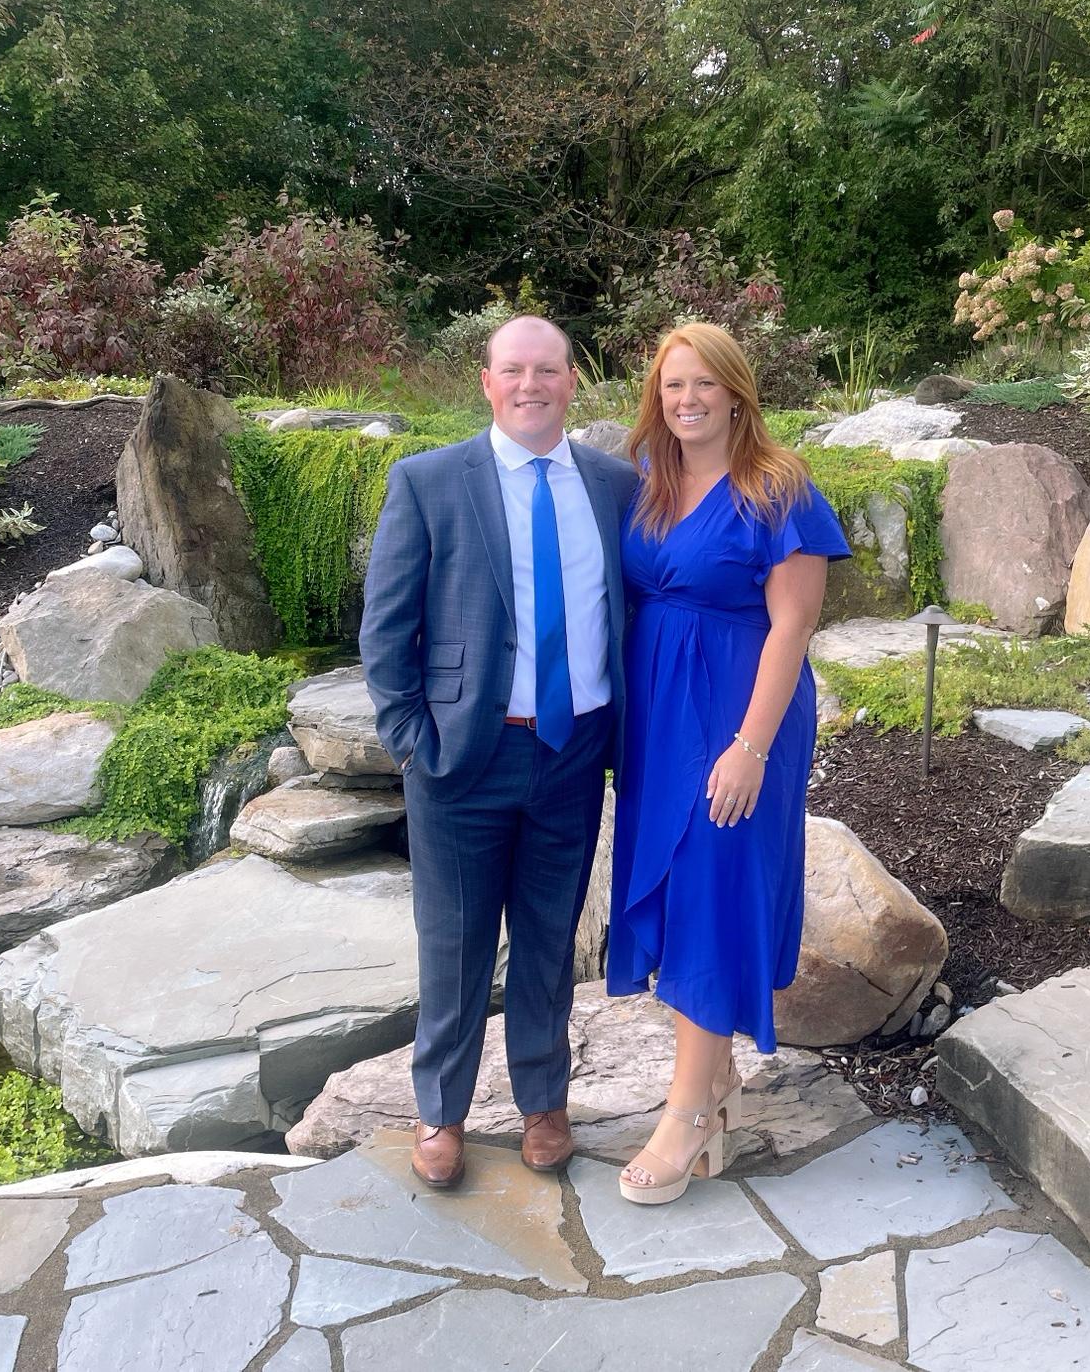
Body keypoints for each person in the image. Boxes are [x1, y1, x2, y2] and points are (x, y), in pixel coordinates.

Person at [360, 315, 638, 1190]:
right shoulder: (428, 481)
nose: (531, 385)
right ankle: (441, 1112)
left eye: (547, 370)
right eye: (513, 370)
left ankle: (543, 1104)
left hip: (574, 751)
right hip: (462, 758)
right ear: (486, 382)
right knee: (454, 944)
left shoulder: (615, 485)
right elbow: (385, 630)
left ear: (572, 381)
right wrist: (412, 743)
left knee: (550, 940)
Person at [607, 321, 850, 1205]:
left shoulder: (777, 486)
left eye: (705, 383)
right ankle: (713, 1081)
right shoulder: (647, 479)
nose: (688, 399)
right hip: (659, 716)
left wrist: (749, 748)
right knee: (677, 889)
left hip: (743, 714)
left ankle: (686, 1115)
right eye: (674, 385)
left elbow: (794, 624)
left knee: (713, 885)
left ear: (737, 393)